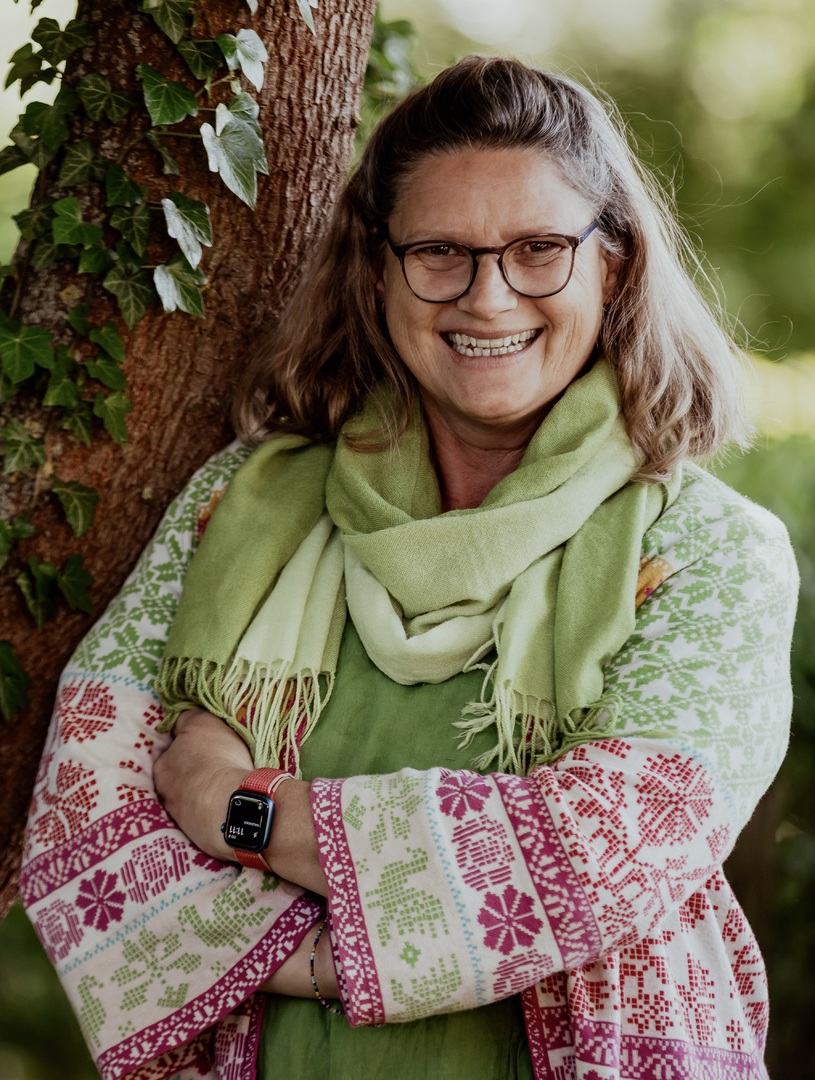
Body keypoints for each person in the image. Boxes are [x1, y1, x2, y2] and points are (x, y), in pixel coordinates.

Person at [22, 56, 797, 1080]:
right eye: (439, 251)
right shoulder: (238, 506)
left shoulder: (707, 550)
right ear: (376, 269)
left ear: (611, 266)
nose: (487, 297)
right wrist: (347, 953)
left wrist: (239, 807)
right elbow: (82, 830)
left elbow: (600, 853)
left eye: (538, 250)